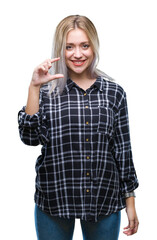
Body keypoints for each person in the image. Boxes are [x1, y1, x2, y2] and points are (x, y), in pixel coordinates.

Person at [18, 15, 139, 240]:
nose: (78, 54)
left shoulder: (114, 93)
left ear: (94, 46)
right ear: (60, 49)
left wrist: (130, 201)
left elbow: (123, 150)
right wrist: (34, 87)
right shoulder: (46, 93)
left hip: (103, 199)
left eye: (85, 45)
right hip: (54, 198)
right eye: (69, 47)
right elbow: (29, 137)